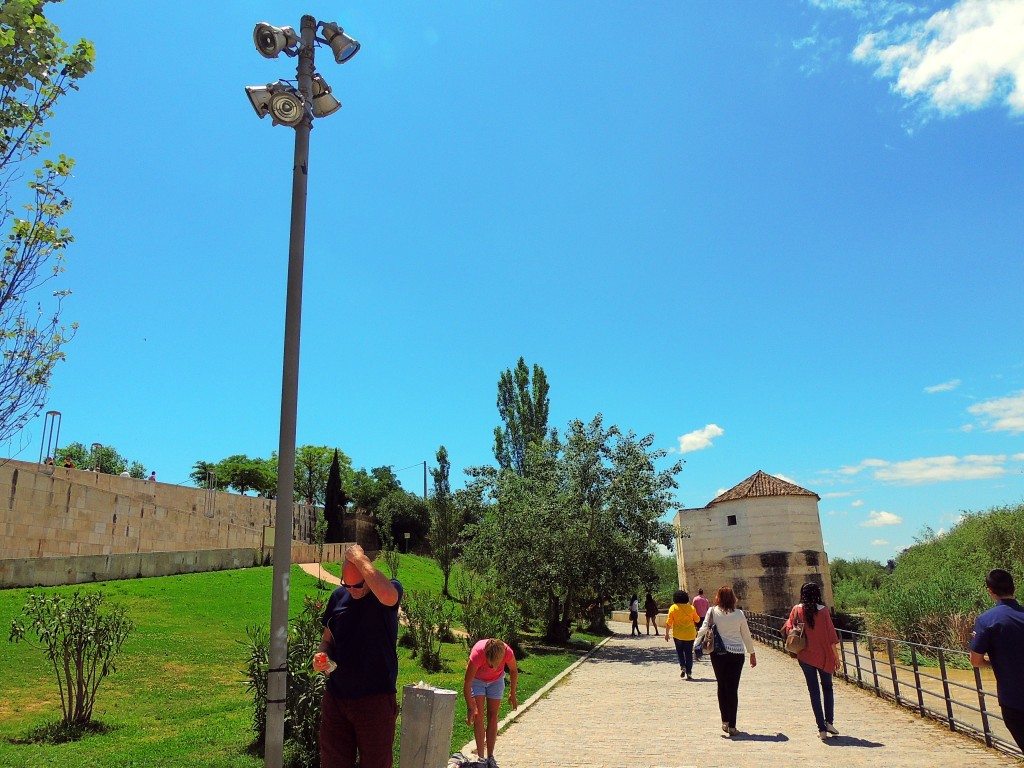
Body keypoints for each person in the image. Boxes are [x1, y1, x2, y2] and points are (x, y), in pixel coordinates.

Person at [314, 544, 403, 768]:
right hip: (336, 699)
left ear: (367, 572)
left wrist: (360, 559)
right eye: (347, 584)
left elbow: (387, 595)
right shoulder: (337, 598)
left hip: (375, 700)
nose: (352, 590)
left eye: (358, 584)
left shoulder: (387, 590)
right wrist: (322, 654)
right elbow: (327, 639)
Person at [970, 568, 1024, 752]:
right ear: (1014, 588)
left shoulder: (987, 620)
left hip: (1014, 700)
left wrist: (994, 663)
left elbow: (976, 661)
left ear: (990, 591)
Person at [695, 586, 756, 737]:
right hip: (736, 654)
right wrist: (752, 653)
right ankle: (733, 727)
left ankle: (725, 722)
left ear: (718, 597)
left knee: (722, 686)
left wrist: (696, 645)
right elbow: (746, 635)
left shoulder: (712, 612)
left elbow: (703, 629)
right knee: (733, 689)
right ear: (732, 598)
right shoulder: (739, 614)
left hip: (719, 653)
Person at [782, 582, 841, 741]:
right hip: (824, 656)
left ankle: (821, 729)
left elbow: (789, 629)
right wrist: (836, 657)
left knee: (814, 692)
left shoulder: (797, 609)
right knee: (827, 688)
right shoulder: (823, 611)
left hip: (805, 656)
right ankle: (829, 722)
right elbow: (831, 638)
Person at [463, 638, 519, 768]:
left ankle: (490, 757)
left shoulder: (507, 652)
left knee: (493, 716)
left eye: (497, 664)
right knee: (479, 716)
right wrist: (470, 706)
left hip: (496, 681)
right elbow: (467, 682)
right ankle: (481, 758)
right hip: (477, 681)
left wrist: (513, 693)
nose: (493, 667)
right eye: (491, 665)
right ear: (486, 655)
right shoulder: (478, 653)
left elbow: (514, 670)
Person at [665, 590, 701, 679]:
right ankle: (689, 672)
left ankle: (683, 666)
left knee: (679, 651)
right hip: (690, 634)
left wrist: (666, 633)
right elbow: (697, 620)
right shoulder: (691, 608)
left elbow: (668, 622)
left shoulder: (673, 607)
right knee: (688, 653)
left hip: (678, 634)